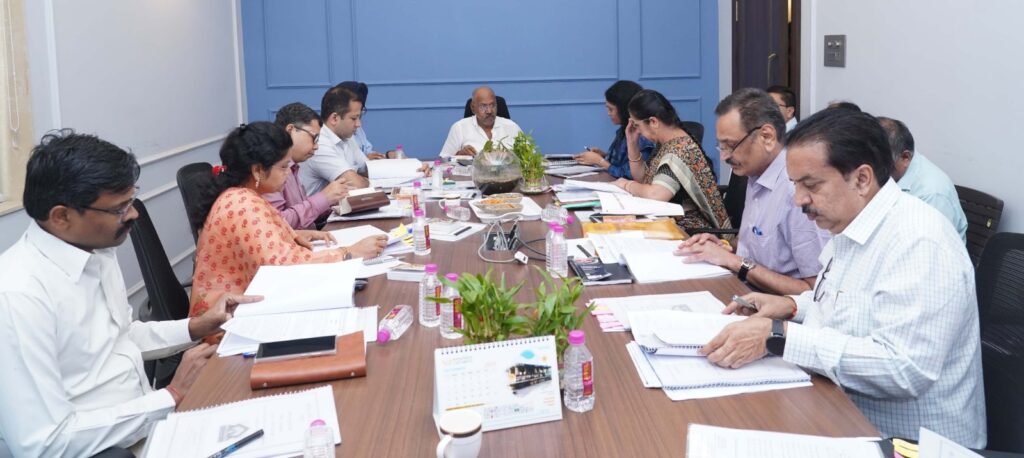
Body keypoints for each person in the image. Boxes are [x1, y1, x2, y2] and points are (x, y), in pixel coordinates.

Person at [700, 108, 985, 448]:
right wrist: (791, 306)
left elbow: (903, 369)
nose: (799, 200)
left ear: (862, 179)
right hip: (840, 410)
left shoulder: (919, 240)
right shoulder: (851, 222)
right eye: (794, 184)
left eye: (810, 185)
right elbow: (846, 303)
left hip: (906, 442)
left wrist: (779, 336)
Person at [0, 130, 263, 456]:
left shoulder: (95, 251)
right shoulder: (18, 296)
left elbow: (121, 338)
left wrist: (196, 326)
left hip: (147, 419)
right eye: (119, 208)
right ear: (61, 216)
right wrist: (172, 395)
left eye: (131, 200)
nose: (134, 214)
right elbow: (45, 442)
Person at [189, 122, 387, 320]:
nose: (288, 173)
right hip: (223, 323)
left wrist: (291, 234)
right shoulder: (243, 204)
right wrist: (349, 252)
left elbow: (256, 239)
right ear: (257, 171)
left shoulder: (241, 195)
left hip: (243, 309)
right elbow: (284, 266)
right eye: (284, 167)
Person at [676, 88, 830, 295]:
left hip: (773, 307)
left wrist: (734, 261)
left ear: (767, 136)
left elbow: (814, 293)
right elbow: (750, 245)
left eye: (731, 146)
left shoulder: (796, 192)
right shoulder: (756, 173)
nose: (724, 157)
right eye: (721, 147)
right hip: (744, 290)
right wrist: (723, 246)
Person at [612, 89, 730, 231]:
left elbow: (655, 195)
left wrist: (625, 184)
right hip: (672, 220)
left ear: (653, 122)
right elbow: (643, 179)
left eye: (637, 126)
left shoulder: (679, 150)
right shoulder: (667, 142)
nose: (639, 131)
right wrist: (632, 142)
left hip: (692, 228)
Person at [878, 116, 967, 242]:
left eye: (879, 162)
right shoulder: (895, 173)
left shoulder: (932, 194)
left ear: (905, 157)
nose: (872, 168)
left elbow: (930, 246)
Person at [263, 102, 349, 230]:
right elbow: (278, 223)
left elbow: (304, 215)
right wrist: (323, 198)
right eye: (314, 138)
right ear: (290, 130)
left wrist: (332, 202)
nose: (316, 146)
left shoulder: (294, 166)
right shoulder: (269, 166)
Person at [573, 80, 655, 179]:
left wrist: (599, 161)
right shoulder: (624, 130)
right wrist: (604, 156)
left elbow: (629, 175)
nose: (608, 113)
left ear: (624, 110)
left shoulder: (642, 137)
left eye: (611, 109)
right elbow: (621, 163)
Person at [300, 86, 371, 194]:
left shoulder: (346, 135)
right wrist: (364, 179)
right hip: (318, 205)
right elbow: (357, 185)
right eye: (354, 118)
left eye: (359, 117)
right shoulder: (319, 143)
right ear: (334, 118)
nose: (358, 124)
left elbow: (367, 169)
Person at [440, 86, 522, 157]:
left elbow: (528, 158)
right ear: (473, 108)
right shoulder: (459, 128)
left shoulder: (512, 127)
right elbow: (443, 160)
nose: (489, 111)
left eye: (492, 105)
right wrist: (459, 155)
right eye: (483, 106)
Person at [335, 81, 389, 159]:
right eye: (353, 118)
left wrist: (387, 155)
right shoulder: (337, 134)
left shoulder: (358, 128)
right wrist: (365, 160)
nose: (358, 124)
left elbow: (368, 152)